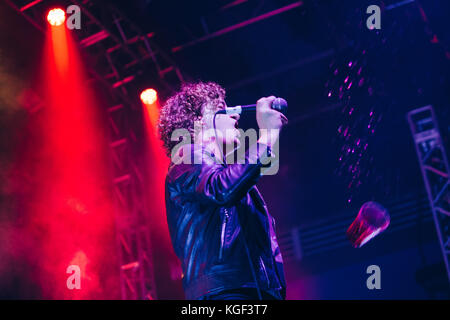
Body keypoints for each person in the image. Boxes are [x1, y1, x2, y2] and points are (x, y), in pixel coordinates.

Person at [158, 81, 287, 300]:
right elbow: (221, 189)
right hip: (224, 294)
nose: (236, 116)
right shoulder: (185, 157)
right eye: (222, 109)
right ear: (199, 122)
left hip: (251, 292)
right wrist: (267, 136)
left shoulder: (233, 176)